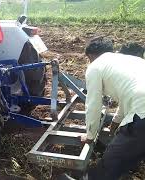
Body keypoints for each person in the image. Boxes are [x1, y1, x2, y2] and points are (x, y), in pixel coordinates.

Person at [60, 37, 145, 180]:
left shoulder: (95, 67)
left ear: (91, 56)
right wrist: (116, 122)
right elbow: (129, 95)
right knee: (134, 149)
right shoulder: (128, 60)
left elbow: (93, 104)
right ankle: (127, 169)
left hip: (142, 113)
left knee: (112, 158)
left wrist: (90, 136)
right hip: (140, 105)